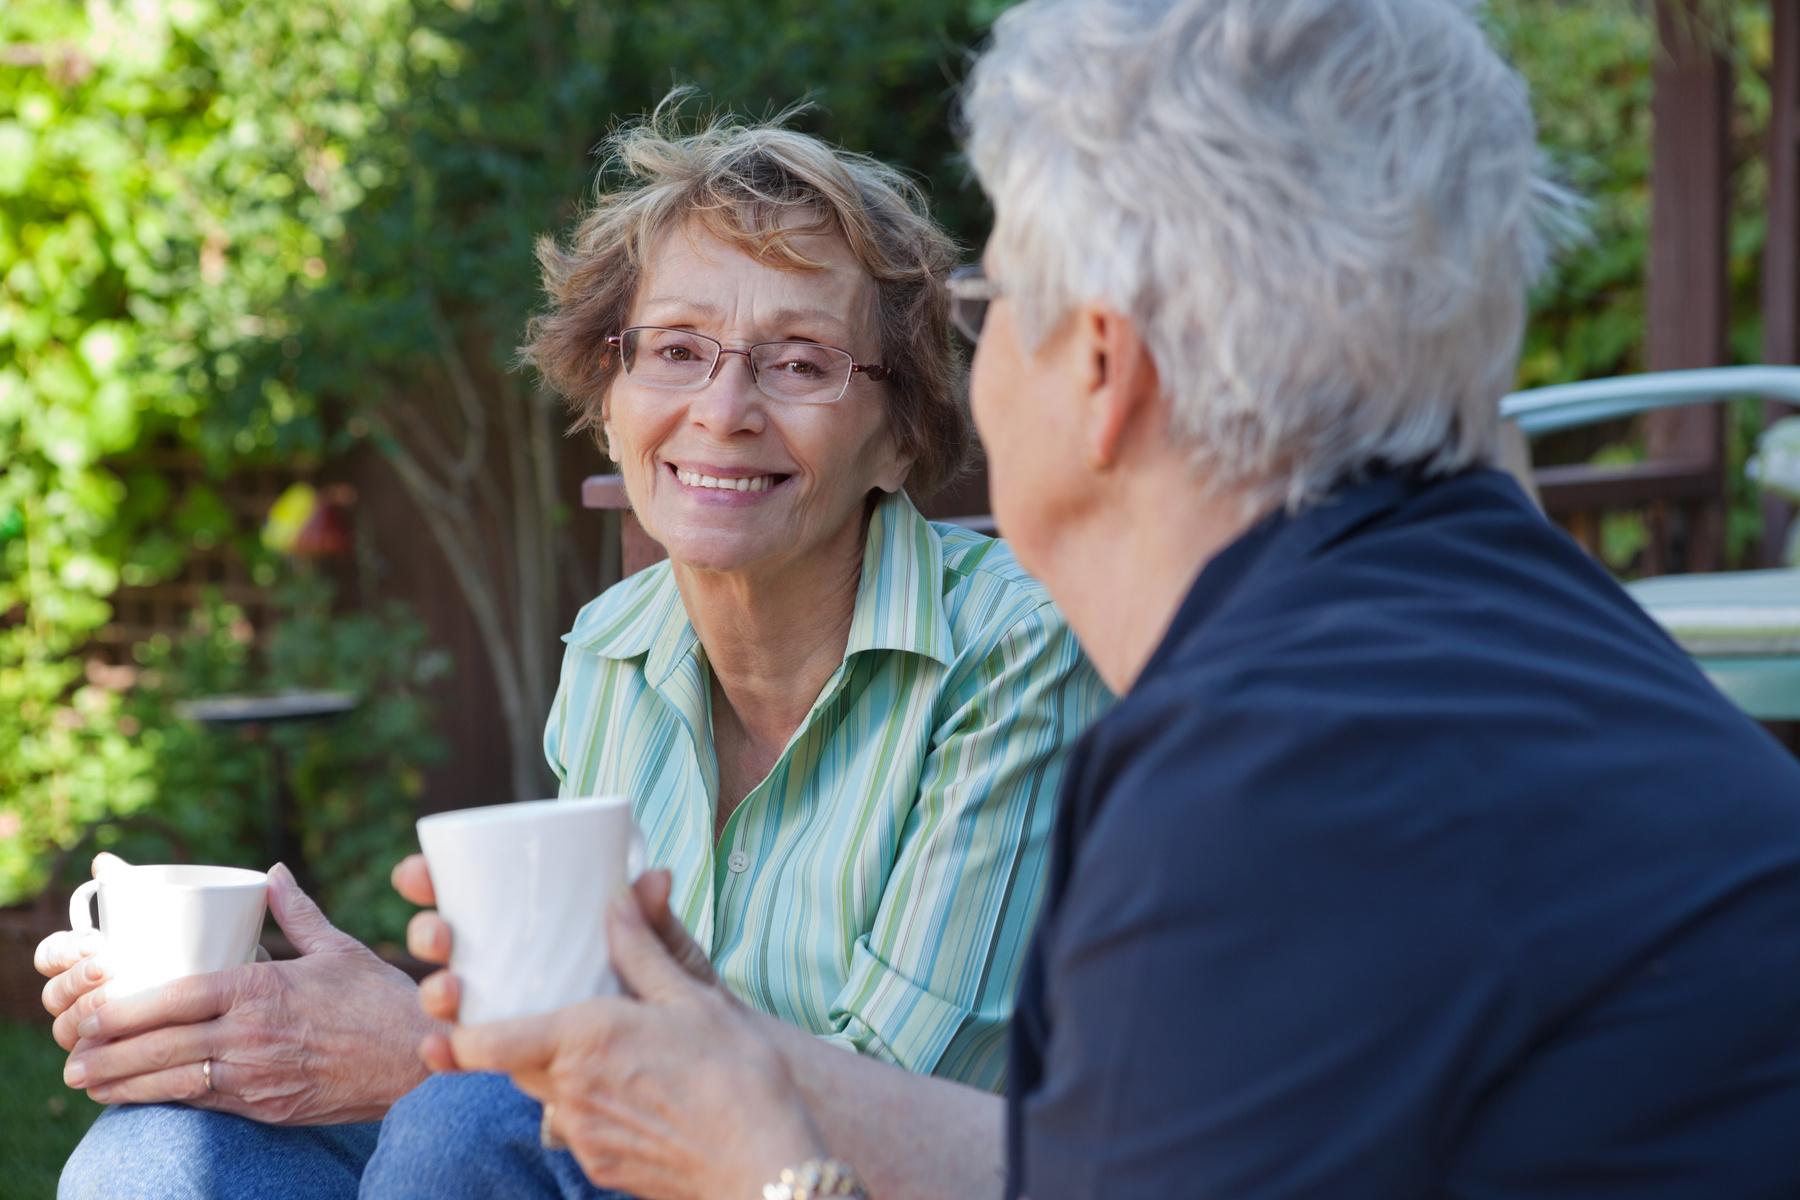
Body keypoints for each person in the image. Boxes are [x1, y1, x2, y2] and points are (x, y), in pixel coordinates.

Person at [414, 1, 1800, 1197]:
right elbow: (1111, 1167)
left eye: (992, 297)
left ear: (1101, 369)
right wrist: (731, 1046)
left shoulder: (1268, 772)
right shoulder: (1493, 626)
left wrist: (762, 1170)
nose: (970, 354)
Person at [40, 114, 1109, 1199]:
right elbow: (566, 1018)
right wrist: (284, 1029)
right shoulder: (611, 654)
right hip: (623, 1156)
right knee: (157, 1155)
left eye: (800, 363)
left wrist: (425, 1043)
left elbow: (891, 1102)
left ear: (897, 435)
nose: (723, 410)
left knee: (467, 1120)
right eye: (678, 351)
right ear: (609, 406)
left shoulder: (1015, 654)